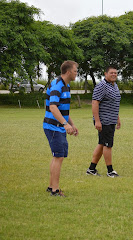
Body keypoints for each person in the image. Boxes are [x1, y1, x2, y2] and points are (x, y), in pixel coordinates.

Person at [43, 60, 79, 197]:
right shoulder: (57, 85)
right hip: (53, 127)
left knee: (58, 156)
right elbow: (52, 107)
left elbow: (63, 110)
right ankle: (55, 190)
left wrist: (72, 124)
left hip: (59, 127)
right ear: (69, 72)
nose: (76, 74)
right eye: (75, 71)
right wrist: (65, 124)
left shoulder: (67, 86)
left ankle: (51, 186)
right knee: (58, 157)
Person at [86, 66, 121, 178]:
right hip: (104, 121)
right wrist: (97, 121)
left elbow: (114, 103)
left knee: (102, 143)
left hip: (111, 120)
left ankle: (91, 169)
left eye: (115, 73)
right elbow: (95, 103)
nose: (114, 74)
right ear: (105, 74)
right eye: (111, 73)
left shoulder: (114, 85)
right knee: (107, 145)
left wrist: (117, 118)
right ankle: (110, 171)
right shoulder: (101, 86)